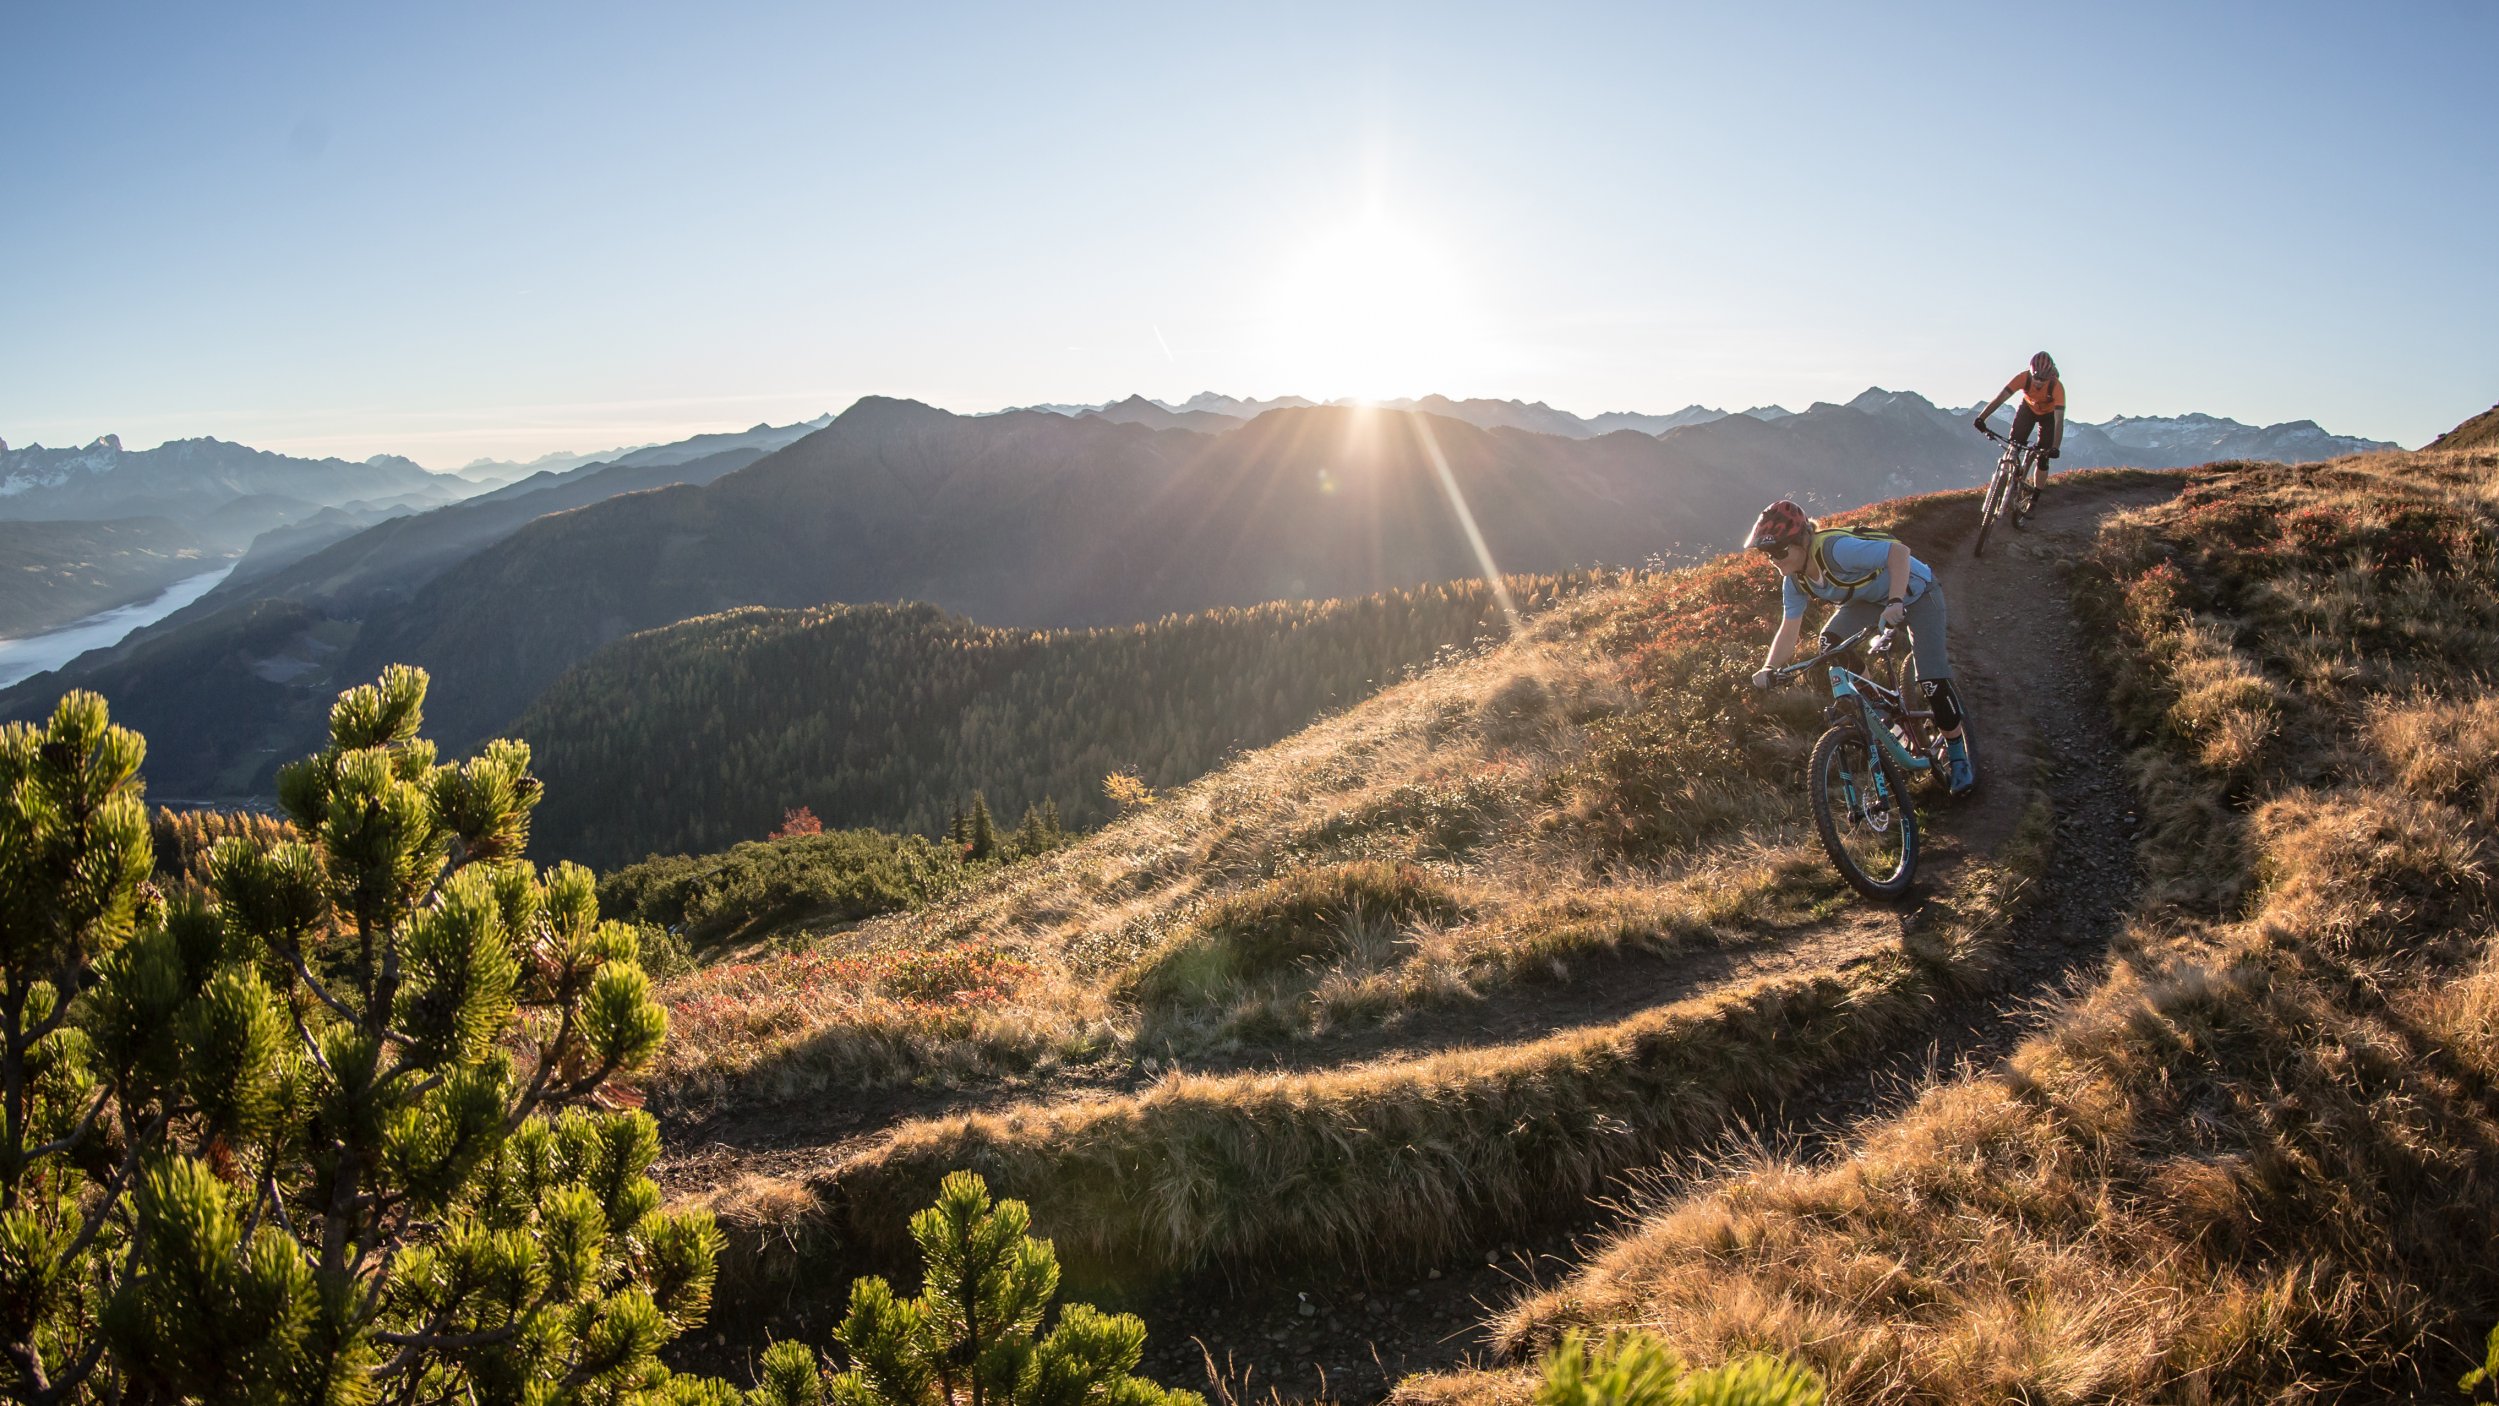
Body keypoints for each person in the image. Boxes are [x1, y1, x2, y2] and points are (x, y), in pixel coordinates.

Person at [1743, 499, 1975, 794]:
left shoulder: (1836, 550)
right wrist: (1769, 668)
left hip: (1916, 593)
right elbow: (1789, 629)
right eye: (1767, 553)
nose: (1773, 559)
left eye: (1778, 550)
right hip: (1868, 600)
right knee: (1830, 643)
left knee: (1931, 680)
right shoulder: (1795, 581)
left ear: (1802, 540)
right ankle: (1877, 702)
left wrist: (1895, 601)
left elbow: (1899, 552)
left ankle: (1957, 754)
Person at [1973, 351, 2065, 524]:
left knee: (2043, 458)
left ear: (2051, 376)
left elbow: (2059, 421)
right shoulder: (2023, 378)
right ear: (2031, 372)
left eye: (2043, 380)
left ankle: (2034, 499)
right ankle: (2006, 480)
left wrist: (2055, 447)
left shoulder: (2057, 387)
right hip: (2028, 410)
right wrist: (1981, 418)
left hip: (2049, 416)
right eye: (2036, 378)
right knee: (2014, 444)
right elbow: (2000, 399)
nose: (2038, 383)